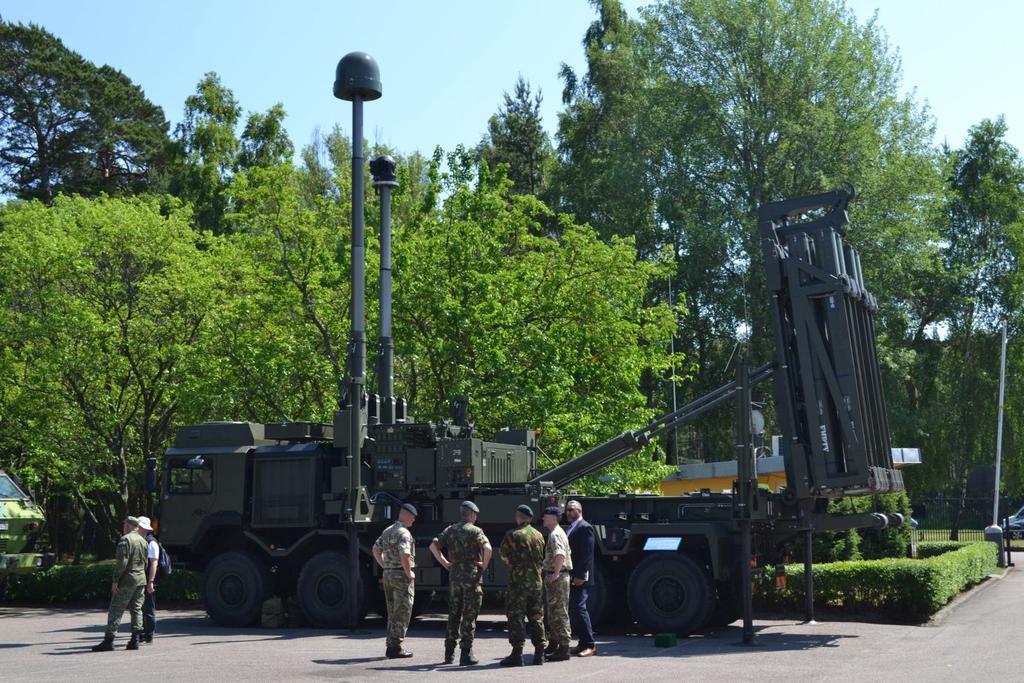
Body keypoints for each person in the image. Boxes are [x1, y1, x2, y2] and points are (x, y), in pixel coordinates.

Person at [430, 500, 492, 666]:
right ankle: (466, 653)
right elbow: (488, 549)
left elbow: (433, 546)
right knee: (469, 615)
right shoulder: (476, 531)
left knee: (453, 614)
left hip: (455, 576)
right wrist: (483, 566)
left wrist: (445, 563)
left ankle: (449, 654)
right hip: (471, 578)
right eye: (475, 515)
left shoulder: (450, 530)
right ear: (471, 514)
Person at [498, 504, 546, 667]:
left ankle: (517, 654)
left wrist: (513, 563)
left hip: (518, 584)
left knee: (516, 617)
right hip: (536, 583)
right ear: (530, 518)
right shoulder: (539, 535)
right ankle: (540, 653)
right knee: (536, 617)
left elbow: (503, 555)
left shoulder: (512, 535)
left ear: (518, 517)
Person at [91, 516, 149, 652]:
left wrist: (115, 580)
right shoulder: (143, 541)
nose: (123, 528)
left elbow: (121, 563)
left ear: (128, 526)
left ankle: (109, 640)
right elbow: (145, 562)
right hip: (141, 579)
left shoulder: (126, 540)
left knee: (116, 609)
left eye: (124, 525)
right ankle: (135, 639)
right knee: (137, 609)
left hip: (128, 579)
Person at [372, 502, 418, 659]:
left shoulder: (387, 531)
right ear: (405, 514)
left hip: (388, 575)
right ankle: (396, 647)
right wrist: (408, 572)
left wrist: (385, 565)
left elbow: (375, 549)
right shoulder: (404, 533)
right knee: (403, 610)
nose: (413, 519)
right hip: (400, 576)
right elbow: (405, 554)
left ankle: (390, 645)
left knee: (392, 611)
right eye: (412, 516)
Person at [565, 500, 597, 657]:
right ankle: (582, 643)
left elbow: (587, 555)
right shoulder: (571, 528)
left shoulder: (585, 527)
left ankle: (590, 645)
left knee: (579, 608)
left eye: (571, 509)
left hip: (580, 577)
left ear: (579, 510)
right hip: (573, 575)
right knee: (574, 609)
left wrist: (580, 576)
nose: (568, 512)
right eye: (566, 510)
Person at [541, 505, 572, 662]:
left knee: (559, 613)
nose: (543, 518)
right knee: (554, 613)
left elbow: (559, 555)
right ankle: (554, 644)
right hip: (558, 578)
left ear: (554, 517)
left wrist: (555, 574)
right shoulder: (556, 532)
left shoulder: (555, 535)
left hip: (558, 579)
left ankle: (564, 648)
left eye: (546, 515)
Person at [136, 516, 160, 645]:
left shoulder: (151, 543)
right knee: (139, 607)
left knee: (148, 608)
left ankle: (149, 635)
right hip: (140, 579)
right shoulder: (141, 541)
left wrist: (151, 581)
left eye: (138, 526)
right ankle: (140, 633)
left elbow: (154, 564)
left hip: (148, 579)